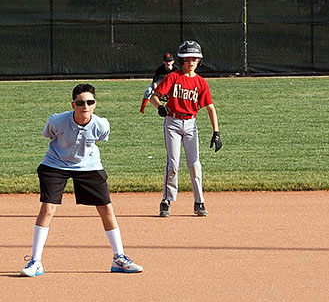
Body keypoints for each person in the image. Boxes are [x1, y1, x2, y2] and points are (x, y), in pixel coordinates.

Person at [20, 84, 143, 277]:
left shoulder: (102, 124)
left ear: (95, 104)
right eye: (80, 102)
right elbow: (48, 134)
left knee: (106, 207)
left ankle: (119, 258)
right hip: (55, 164)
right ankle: (35, 262)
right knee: (48, 207)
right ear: (73, 104)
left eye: (89, 102)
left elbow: (97, 140)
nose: (85, 106)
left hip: (89, 165)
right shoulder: (58, 121)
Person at [149, 40, 221, 217]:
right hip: (172, 122)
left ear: (199, 61)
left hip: (191, 124)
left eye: (194, 59)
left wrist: (216, 132)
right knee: (173, 163)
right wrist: (159, 107)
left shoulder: (201, 83)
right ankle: (166, 200)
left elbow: (210, 107)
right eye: (187, 59)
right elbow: (154, 96)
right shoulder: (173, 77)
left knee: (194, 164)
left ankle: (199, 201)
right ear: (181, 61)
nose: (191, 63)